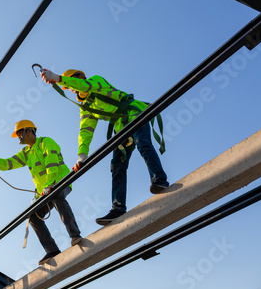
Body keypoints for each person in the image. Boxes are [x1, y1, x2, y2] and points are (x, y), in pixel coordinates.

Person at [41, 69, 169, 225]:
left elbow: (85, 86)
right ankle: (118, 208)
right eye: (70, 86)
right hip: (121, 126)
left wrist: (58, 78)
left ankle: (159, 180)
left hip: (134, 111)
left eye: (73, 82)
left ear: (80, 77)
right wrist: (82, 155)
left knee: (143, 144)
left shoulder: (95, 81)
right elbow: (85, 131)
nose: (73, 88)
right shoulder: (86, 106)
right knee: (117, 165)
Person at [0, 120, 83, 265]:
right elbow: (7, 163)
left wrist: (49, 185)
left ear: (29, 131)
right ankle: (52, 250)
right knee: (33, 217)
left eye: (19, 133)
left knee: (57, 195)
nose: (18, 137)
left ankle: (75, 235)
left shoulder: (46, 143)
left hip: (60, 182)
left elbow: (52, 164)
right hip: (45, 191)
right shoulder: (26, 153)